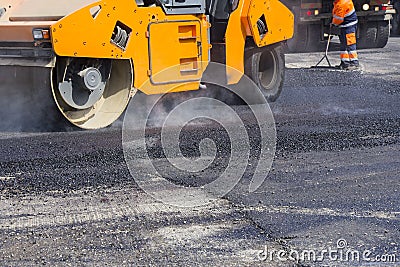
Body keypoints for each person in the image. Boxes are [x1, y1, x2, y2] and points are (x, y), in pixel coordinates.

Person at [332, 0, 359, 70]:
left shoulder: (341, 3)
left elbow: (339, 19)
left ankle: (354, 63)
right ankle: (345, 63)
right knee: (343, 44)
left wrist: (333, 24)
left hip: (349, 25)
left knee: (350, 44)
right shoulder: (338, 2)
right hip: (344, 25)